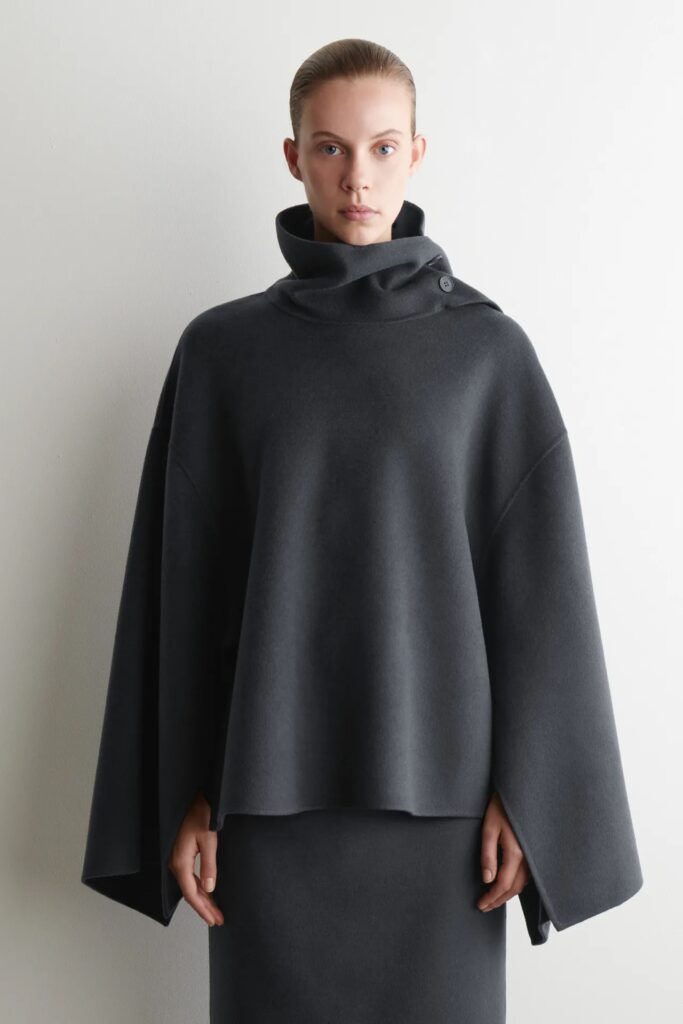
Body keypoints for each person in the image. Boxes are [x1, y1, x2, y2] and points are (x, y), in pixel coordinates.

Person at [81, 38, 643, 1023]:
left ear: (417, 154)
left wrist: (529, 796)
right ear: (292, 156)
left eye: (383, 148)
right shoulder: (222, 353)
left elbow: (540, 597)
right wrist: (185, 793)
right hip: (264, 809)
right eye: (331, 148)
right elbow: (184, 589)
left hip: (445, 816)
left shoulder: (485, 353)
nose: (357, 178)